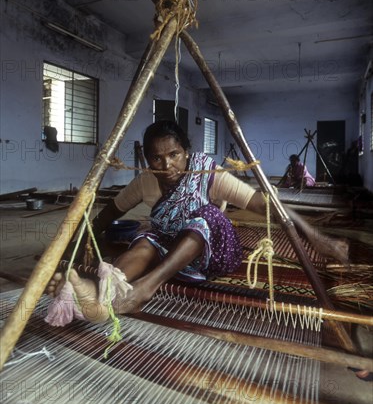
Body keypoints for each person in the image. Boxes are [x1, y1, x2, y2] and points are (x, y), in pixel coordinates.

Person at [47, 121, 345, 323]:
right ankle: (103, 296)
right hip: (172, 254)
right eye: (156, 158)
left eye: (174, 154)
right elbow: (108, 214)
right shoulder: (145, 182)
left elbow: (265, 205)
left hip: (213, 254)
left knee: (207, 215)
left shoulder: (207, 173)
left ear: (186, 152)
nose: (167, 165)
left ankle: (144, 289)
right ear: (146, 159)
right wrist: (72, 245)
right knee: (146, 239)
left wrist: (319, 238)